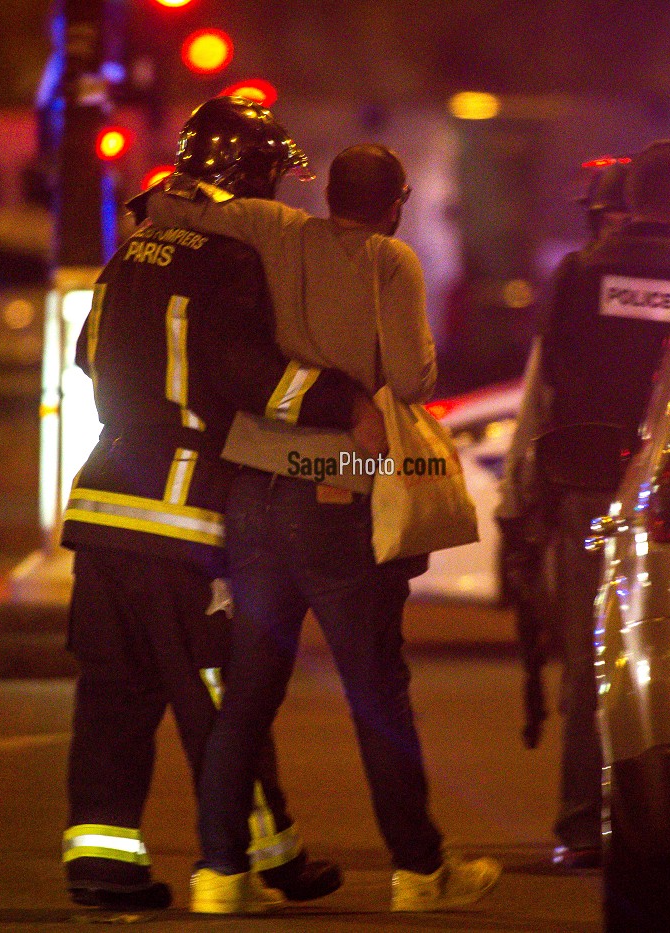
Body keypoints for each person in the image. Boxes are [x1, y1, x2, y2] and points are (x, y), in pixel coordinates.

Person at [143, 139, 502, 914]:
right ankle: (419, 869)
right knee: (376, 691)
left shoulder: (274, 228)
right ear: (396, 201)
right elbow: (411, 379)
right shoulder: (389, 260)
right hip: (336, 484)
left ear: (329, 191)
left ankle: (220, 873)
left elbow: (176, 205)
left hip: (255, 486)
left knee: (247, 694)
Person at [58, 97, 382, 912]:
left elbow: (86, 353)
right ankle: (271, 856)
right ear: (247, 180)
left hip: (102, 506)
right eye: (272, 180)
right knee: (218, 695)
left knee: (111, 695)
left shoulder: (130, 251)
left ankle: (102, 863)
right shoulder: (226, 259)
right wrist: (340, 397)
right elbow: (249, 374)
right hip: (179, 519)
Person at [498, 141, 670, 871]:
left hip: (586, 490)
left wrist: (522, 501)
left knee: (594, 661)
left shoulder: (579, 273)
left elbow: (547, 388)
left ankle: (583, 822)